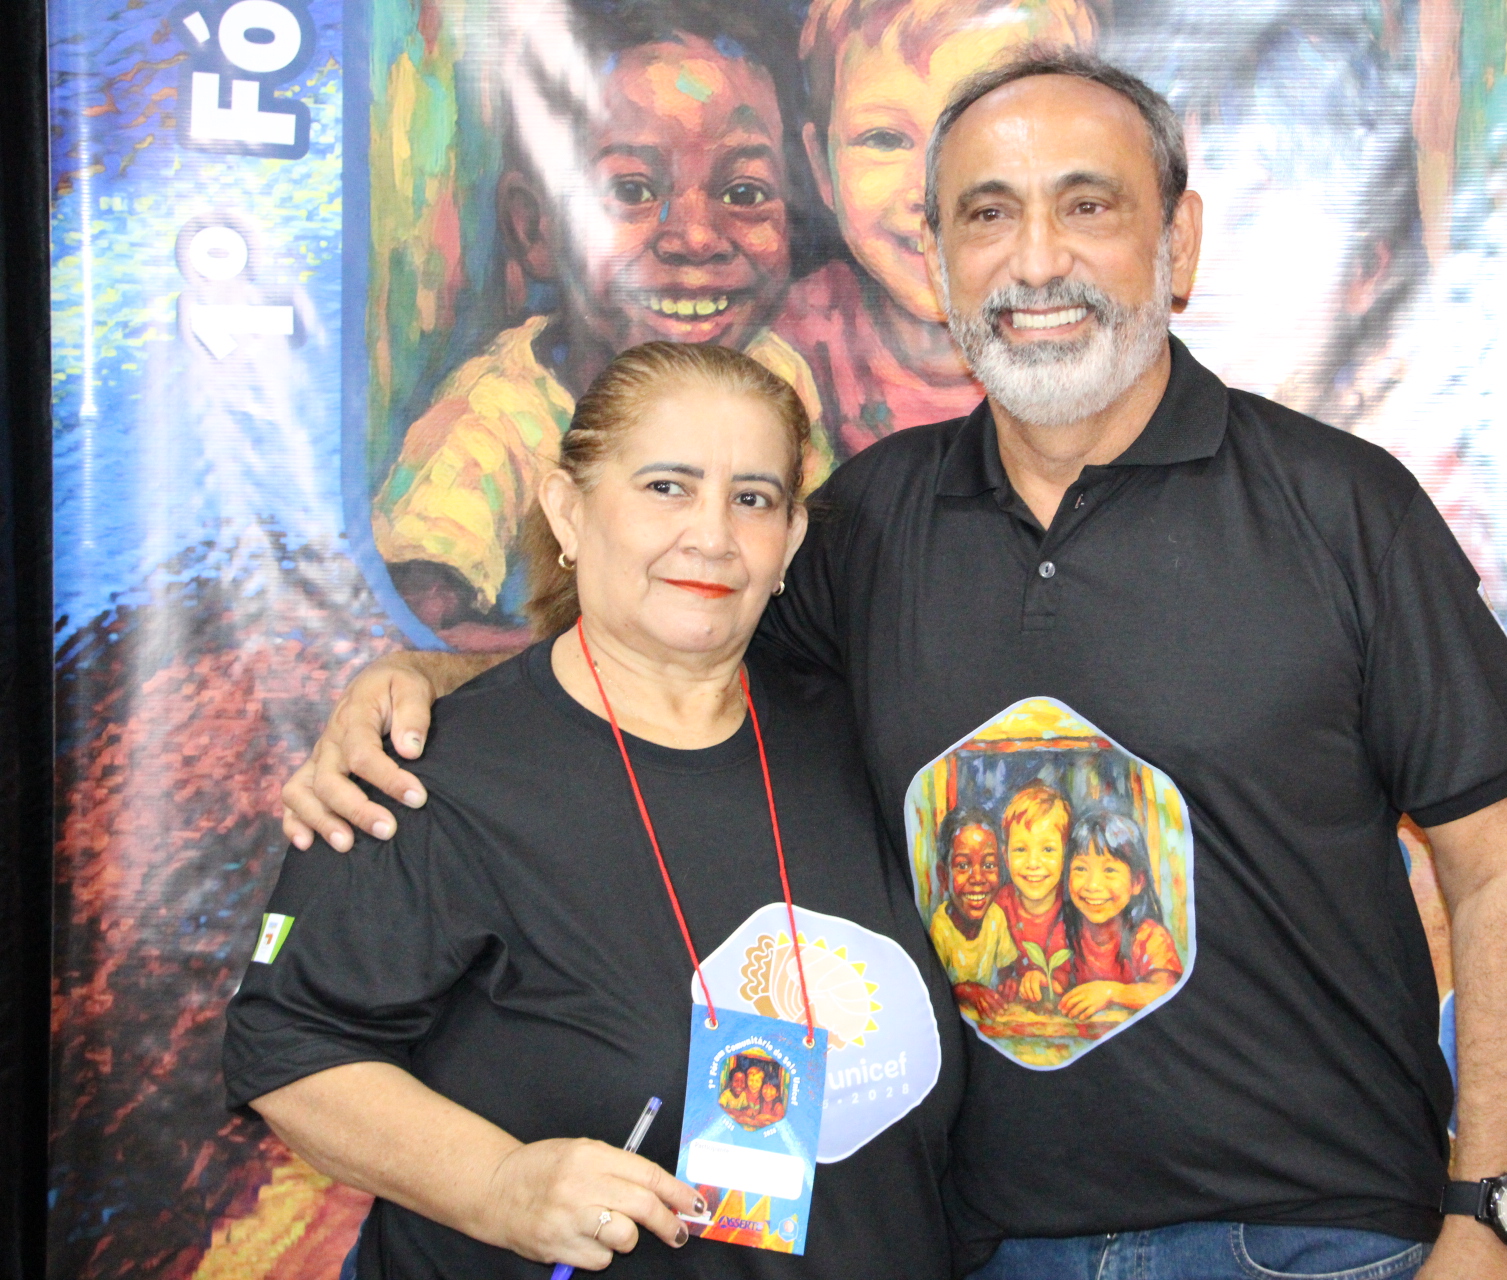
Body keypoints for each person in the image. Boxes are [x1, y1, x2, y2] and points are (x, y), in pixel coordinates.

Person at [283, 50, 1507, 1280]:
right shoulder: (868, 522)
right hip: (978, 1243)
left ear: (1177, 243)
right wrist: (419, 686)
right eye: (988, 213)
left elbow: (1501, 866)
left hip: (1308, 1240)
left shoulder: (1343, 510)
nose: (1037, 258)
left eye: (1088, 205)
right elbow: (656, 670)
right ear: (939, 258)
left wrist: (1494, 1215)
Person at [229, 343, 963, 1277]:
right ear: (568, 511)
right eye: (666, 487)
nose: (711, 535)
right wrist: (499, 1186)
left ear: (790, 541)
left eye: (752, 498)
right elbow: (289, 1046)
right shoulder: (434, 773)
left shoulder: (858, 732)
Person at [372, 0, 829, 650]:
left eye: (745, 193)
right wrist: (627, 665)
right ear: (535, 229)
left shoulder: (777, 377)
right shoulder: (493, 420)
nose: (697, 238)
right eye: (631, 191)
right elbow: (420, 626)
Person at [779, 0, 1097, 460]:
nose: (931, 191)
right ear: (822, 168)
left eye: (981, 136)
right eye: (885, 139)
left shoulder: (1096, 332)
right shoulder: (796, 351)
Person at [1056, 810, 1182, 1020]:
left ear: (1137, 882)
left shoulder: (1149, 936)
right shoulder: (1066, 931)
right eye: (1081, 869)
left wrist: (1111, 993)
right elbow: (1057, 979)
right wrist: (1040, 980)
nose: (1093, 885)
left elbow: (1166, 989)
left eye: (1109, 870)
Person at [927, 808, 1017, 1018]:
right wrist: (966, 991)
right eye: (963, 865)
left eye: (989, 864)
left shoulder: (995, 917)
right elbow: (933, 989)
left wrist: (1009, 982)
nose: (977, 878)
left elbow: (1007, 968)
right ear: (943, 876)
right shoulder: (940, 928)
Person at [990, 782, 1073, 1005]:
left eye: (1048, 849)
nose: (1033, 863)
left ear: (1065, 855)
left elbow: (1069, 976)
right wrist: (1009, 982)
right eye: (1021, 849)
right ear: (1006, 856)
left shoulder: (1074, 907)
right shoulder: (997, 908)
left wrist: (1047, 981)